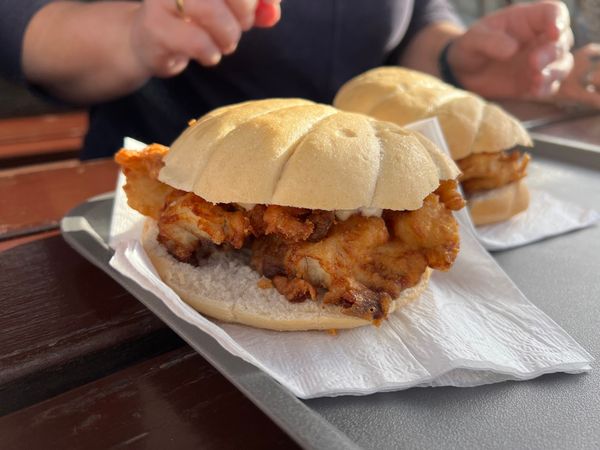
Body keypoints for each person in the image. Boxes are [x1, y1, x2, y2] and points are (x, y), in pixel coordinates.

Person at [0, 0, 576, 159]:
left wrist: (455, 57)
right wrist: (133, 34)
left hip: (359, 178)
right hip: (136, 203)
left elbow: (414, 18)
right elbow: (17, 23)